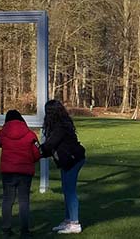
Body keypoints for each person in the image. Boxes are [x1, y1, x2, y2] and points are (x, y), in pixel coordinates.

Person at [41, 100, 88, 235]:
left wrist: (37, 151)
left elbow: (50, 144)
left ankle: (74, 223)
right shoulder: (60, 123)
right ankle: (68, 220)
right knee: (66, 189)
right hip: (68, 160)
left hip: (73, 160)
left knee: (70, 191)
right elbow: (50, 147)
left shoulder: (60, 126)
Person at [0, 110, 40, 237]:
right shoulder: (30, 134)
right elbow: (37, 153)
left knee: (7, 200)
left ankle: (6, 229)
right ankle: (24, 231)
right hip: (25, 172)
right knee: (24, 201)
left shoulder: (3, 132)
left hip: (8, 171)